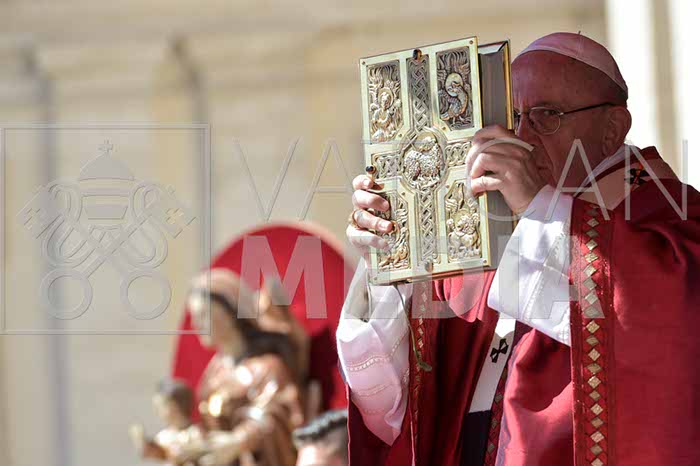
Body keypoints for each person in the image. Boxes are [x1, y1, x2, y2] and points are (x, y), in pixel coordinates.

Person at [338, 32, 700, 466]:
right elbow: (391, 406)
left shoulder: (671, 215)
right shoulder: (484, 227)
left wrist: (538, 208)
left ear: (612, 129)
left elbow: (673, 325)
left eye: (547, 116)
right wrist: (390, 254)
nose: (523, 137)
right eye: (513, 117)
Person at [177, 268, 306, 466]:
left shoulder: (266, 368)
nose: (196, 324)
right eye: (194, 316)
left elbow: (276, 418)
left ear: (230, 313)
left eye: (203, 314)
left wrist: (240, 441)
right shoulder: (214, 372)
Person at [129, 378, 203, 465]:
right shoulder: (164, 436)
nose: (157, 411)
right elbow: (155, 452)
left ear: (175, 406)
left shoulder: (198, 433)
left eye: (161, 406)